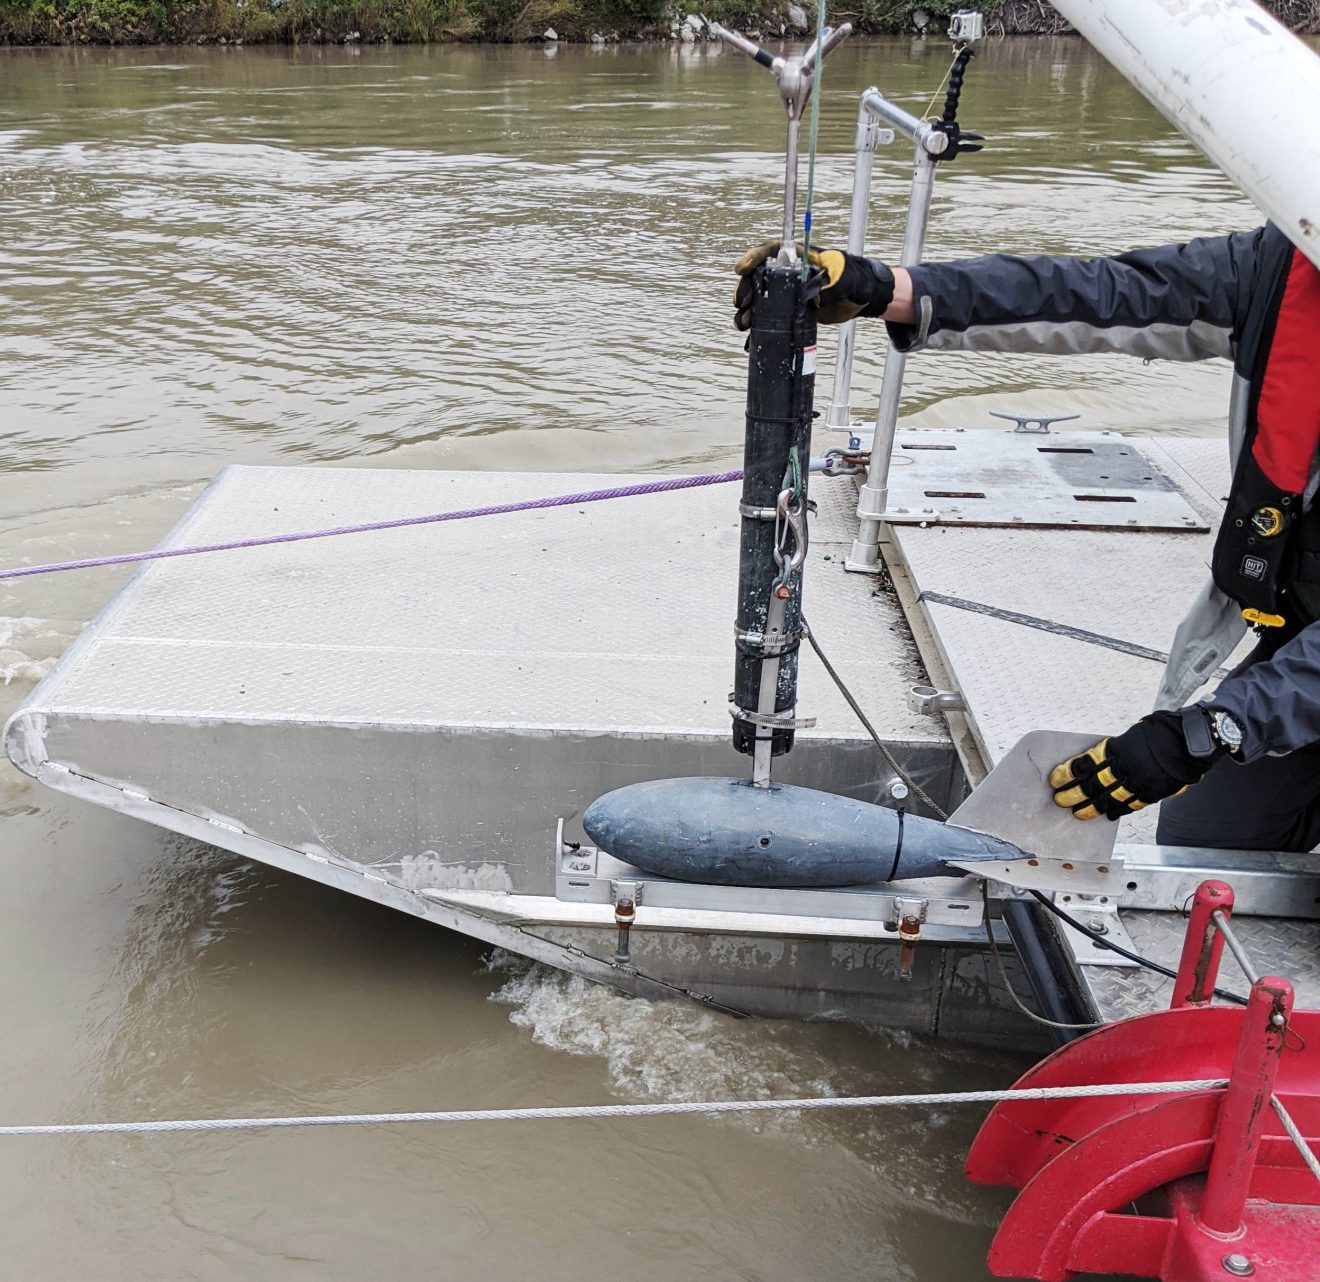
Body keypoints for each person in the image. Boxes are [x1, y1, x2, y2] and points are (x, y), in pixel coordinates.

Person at [734, 227, 1320, 852]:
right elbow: (1105, 293)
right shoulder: (1285, 259)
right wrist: (885, 289)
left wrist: (1214, 728)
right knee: (1209, 839)